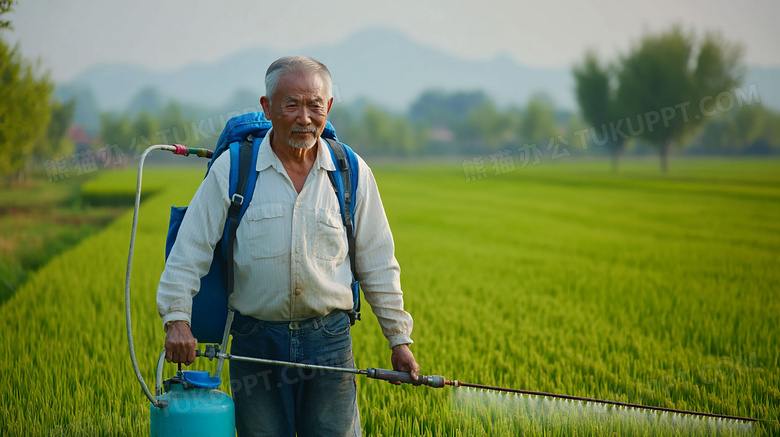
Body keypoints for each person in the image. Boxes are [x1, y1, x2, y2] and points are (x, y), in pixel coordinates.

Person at [157, 56, 419, 436]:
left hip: (329, 342)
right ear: (267, 108)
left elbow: (378, 262)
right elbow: (189, 251)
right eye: (291, 104)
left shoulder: (351, 172)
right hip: (254, 344)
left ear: (328, 108)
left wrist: (399, 339)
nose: (305, 117)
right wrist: (177, 320)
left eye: (315, 105)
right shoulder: (233, 169)